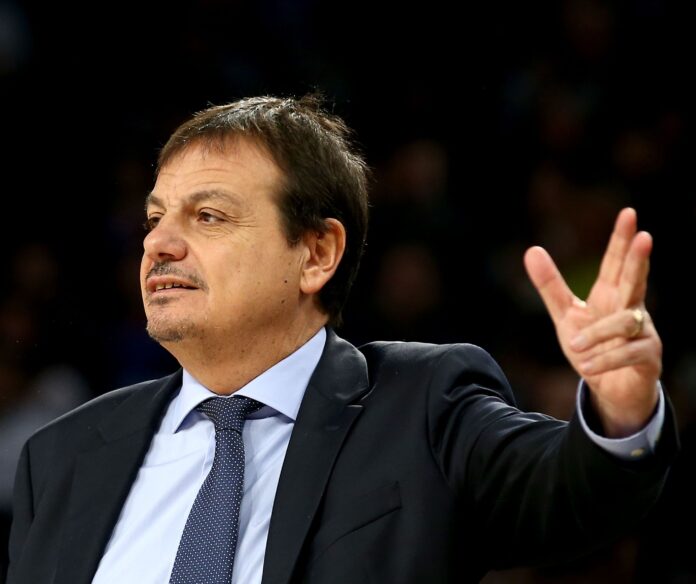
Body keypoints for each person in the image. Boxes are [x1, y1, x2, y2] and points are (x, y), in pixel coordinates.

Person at [6, 95, 677, 584]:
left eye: (207, 216)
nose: (159, 244)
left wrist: (620, 410)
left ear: (317, 253)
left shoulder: (424, 408)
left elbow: (570, 494)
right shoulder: (60, 459)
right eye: (154, 219)